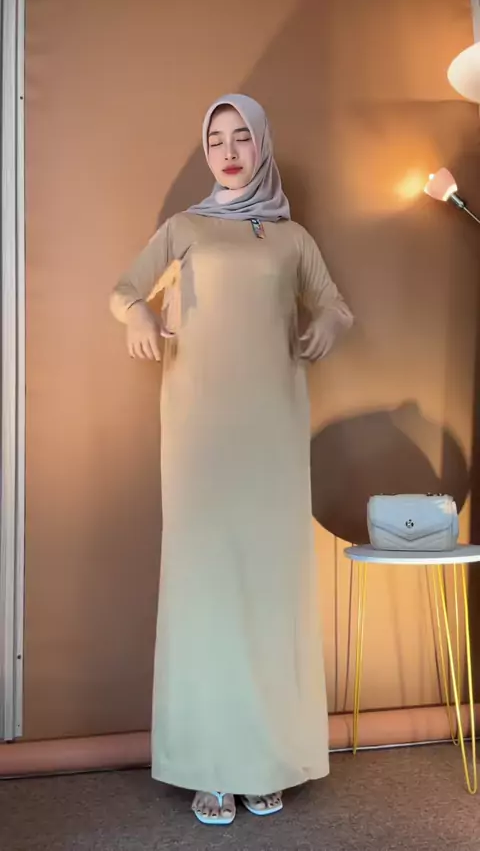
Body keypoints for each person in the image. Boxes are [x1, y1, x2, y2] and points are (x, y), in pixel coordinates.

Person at [110, 94, 353, 826]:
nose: (227, 150)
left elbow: (335, 305)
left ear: (261, 143)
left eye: (241, 136)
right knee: (206, 589)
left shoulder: (292, 239)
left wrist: (328, 325)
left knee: (270, 589)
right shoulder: (185, 228)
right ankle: (210, 764)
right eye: (215, 138)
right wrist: (140, 313)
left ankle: (264, 759)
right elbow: (123, 291)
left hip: (272, 431)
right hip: (201, 433)